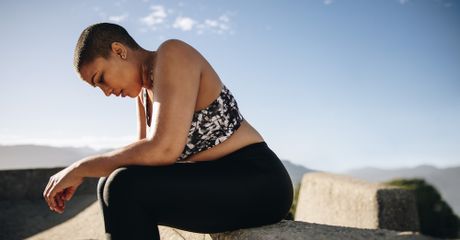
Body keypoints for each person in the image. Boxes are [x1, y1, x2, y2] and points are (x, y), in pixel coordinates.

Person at [43, 22, 293, 240]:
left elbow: (162, 150)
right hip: (214, 179)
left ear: (119, 51)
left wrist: (79, 168)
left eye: (101, 79)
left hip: (258, 180)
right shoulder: (143, 96)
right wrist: (90, 172)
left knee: (122, 187)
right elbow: (140, 162)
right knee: (109, 183)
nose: (106, 92)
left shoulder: (172, 53)